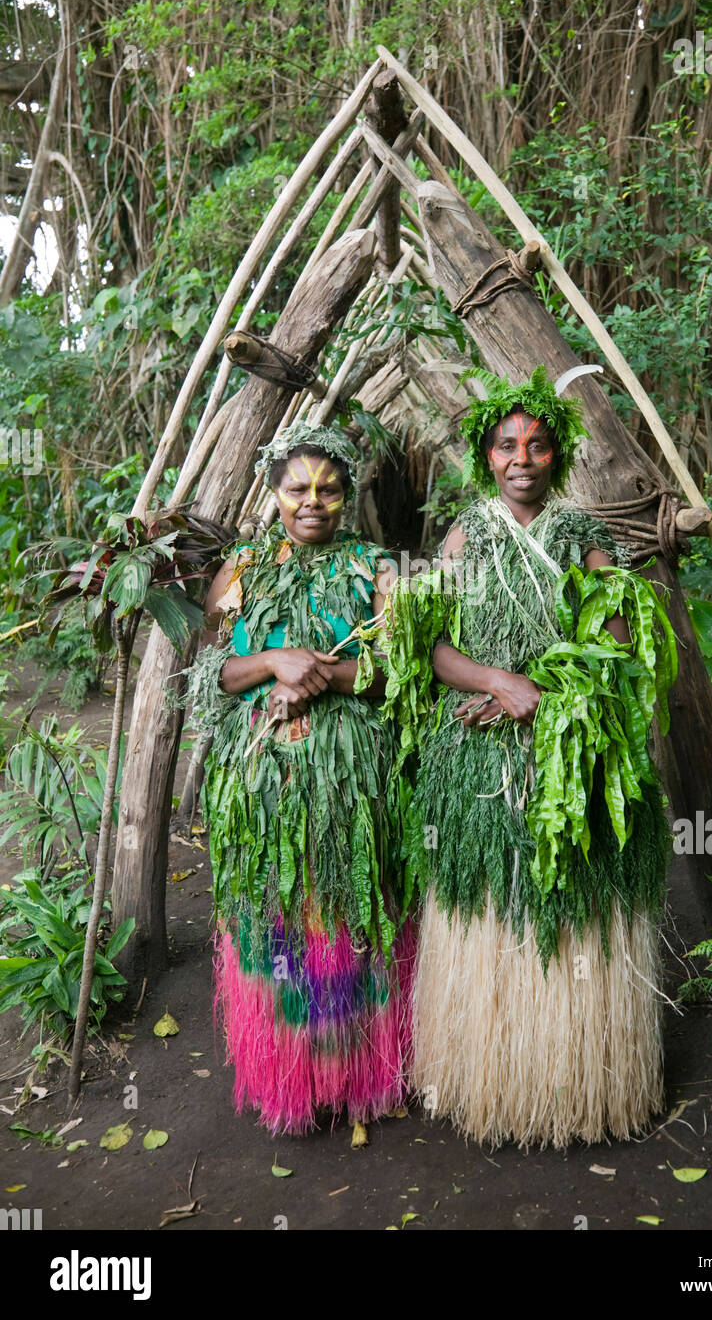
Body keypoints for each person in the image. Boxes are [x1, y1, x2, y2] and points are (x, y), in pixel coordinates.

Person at [384, 366, 677, 1150]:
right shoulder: (462, 538)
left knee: (573, 899)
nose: (522, 457)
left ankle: (579, 1081)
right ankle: (491, 1075)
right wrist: (497, 680)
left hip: (570, 752)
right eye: (507, 445)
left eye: (538, 445)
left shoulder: (584, 539)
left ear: (558, 455)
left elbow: (615, 644)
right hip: (478, 751)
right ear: (486, 458)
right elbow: (434, 648)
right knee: (491, 897)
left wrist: (548, 694)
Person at [185, 421, 413, 1138]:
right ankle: (291, 1077)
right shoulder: (244, 568)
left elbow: (400, 675)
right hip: (263, 784)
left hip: (352, 785)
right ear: (272, 491)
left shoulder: (376, 568)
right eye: (297, 488)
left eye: (328, 489)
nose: (312, 501)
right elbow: (209, 674)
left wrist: (321, 673)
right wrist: (273, 662)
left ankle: (357, 1076)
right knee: (280, 923)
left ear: (347, 495)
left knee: (346, 919)